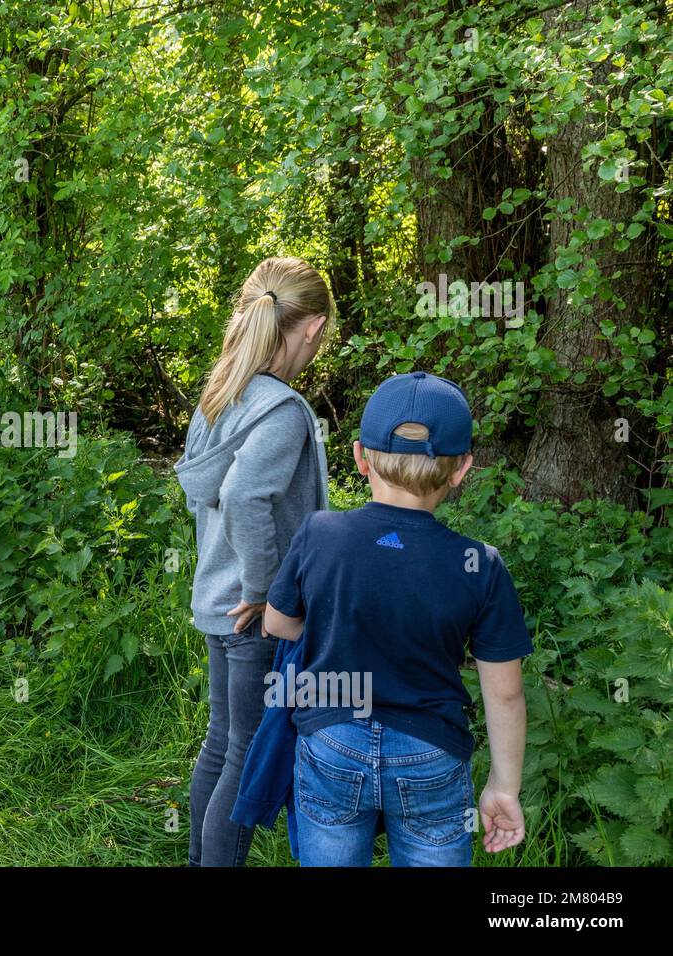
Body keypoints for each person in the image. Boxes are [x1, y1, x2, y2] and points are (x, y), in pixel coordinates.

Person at [261, 372, 531, 865]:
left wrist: (330, 628)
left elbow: (276, 623)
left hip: (331, 739)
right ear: (461, 469)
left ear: (361, 457)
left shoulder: (320, 532)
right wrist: (503, 787)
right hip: (430, 750)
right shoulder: (480, 564)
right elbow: (506, 692)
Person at [173, 257, 333, 866]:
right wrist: (267, 591)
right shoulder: (282, 410)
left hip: (218, 601)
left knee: (221, 744)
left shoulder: (222, 395)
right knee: (243, 754)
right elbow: (243, 496)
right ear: (313, 327)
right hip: (252, 613)